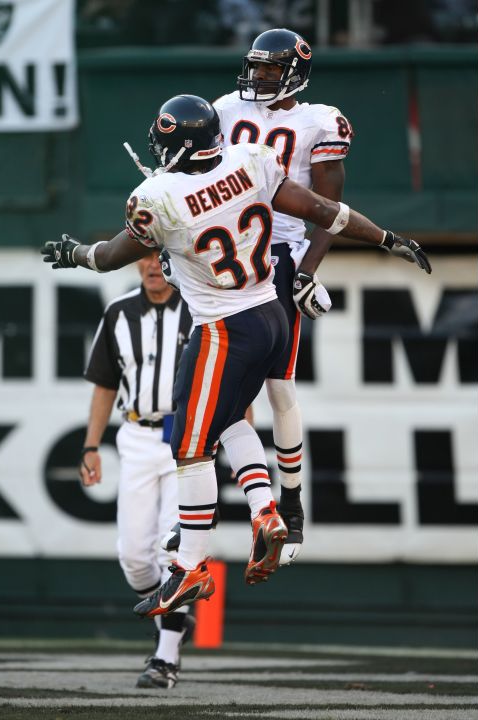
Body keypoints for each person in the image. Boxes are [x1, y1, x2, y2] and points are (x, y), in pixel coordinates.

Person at [42, 93, 431, 619]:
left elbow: (112, 256)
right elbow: (325, 212)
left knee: (189, 445)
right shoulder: (252, 160)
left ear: (178, 145)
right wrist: (387, 238)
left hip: (222, 328)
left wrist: (74, 254)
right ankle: (267, 511)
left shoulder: (158, 196)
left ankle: (190, 568)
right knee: (227, 422)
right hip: (271, 311)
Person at [209, 27, 352, 565]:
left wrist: (309, 270)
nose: (261, 76)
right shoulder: (225, 108)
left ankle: (291, 501)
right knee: (219, 387)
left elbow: (329, 210)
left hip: (280, 255)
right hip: (227, 255)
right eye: (257, 66)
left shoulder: (319, 121)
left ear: (295, 70)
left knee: (278, 386)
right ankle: (227, 504)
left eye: (271, 68)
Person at [79, 249, 195, 689]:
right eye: (143, 258)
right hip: (136, 437)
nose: (150, 266)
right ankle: (175, 617)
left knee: (174, 551)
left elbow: (231, 381)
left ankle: (166, 657)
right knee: (133, 558)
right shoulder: (118, 312)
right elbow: (106, 384)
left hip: (188, 439)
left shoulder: (199, 305)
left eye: (159, 257)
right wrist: (91, 445)